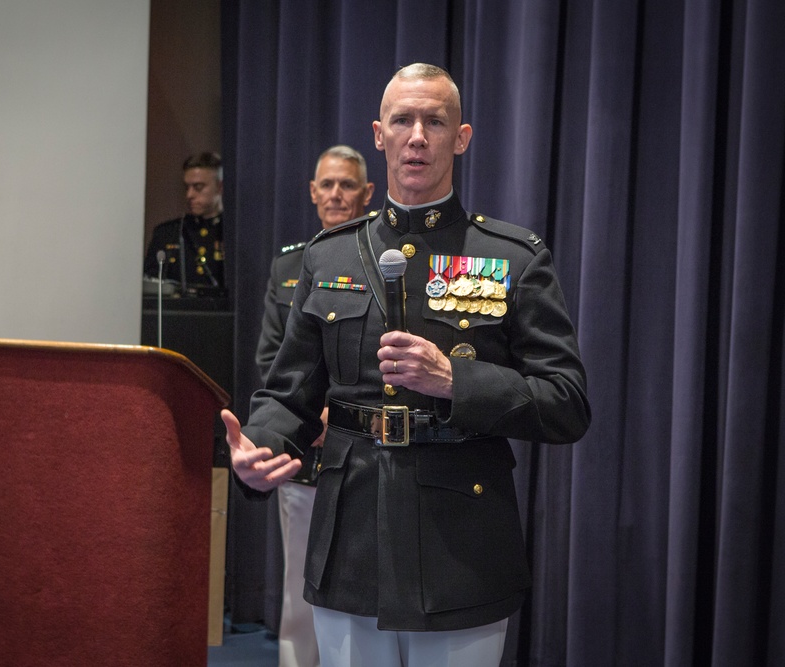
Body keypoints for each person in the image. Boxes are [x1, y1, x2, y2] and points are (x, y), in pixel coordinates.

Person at [223, 63, 590, 667]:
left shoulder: (512, 259)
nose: (417, 135)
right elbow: (288, 394)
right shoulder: (327, 257)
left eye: (435, 121)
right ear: (379, 134)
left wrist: (455, 380)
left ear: (462, 137)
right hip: (351, 541)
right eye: (403, 120)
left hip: (460, 550)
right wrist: (257, 452)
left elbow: (567, 403)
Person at [255, 145, 375, 667]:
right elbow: (273, 361)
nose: (335, 194)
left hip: (368, 458)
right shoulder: (289, 265)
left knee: (364, 600)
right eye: (326, 184)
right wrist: (313, 418)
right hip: (305, 463)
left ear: (367, 194)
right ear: (311, 192)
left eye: (346, 184)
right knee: (300, 598)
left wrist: (340, 414)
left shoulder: (384, 262)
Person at [143, 152, 225, 294]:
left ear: (219, 187)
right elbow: (150, 284)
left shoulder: (231, 233)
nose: (189, 195)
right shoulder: (168, 233)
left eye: (198, 187)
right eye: (187, 187)